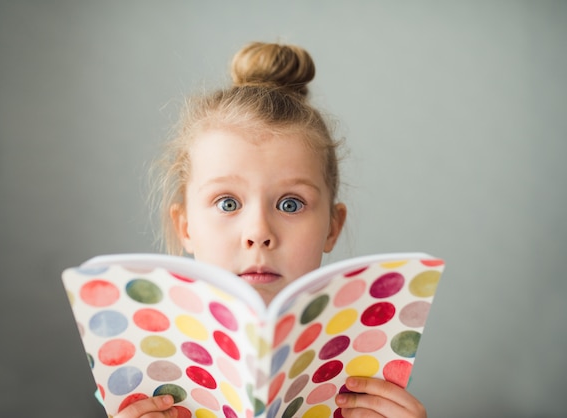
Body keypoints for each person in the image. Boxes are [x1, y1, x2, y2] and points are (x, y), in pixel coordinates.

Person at [115, 41, 427, 418]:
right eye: (227, 203)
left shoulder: (368, 378)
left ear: (332, 226)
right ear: (185, 226)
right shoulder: (140, 379)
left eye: (290, 204)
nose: (259, 232)